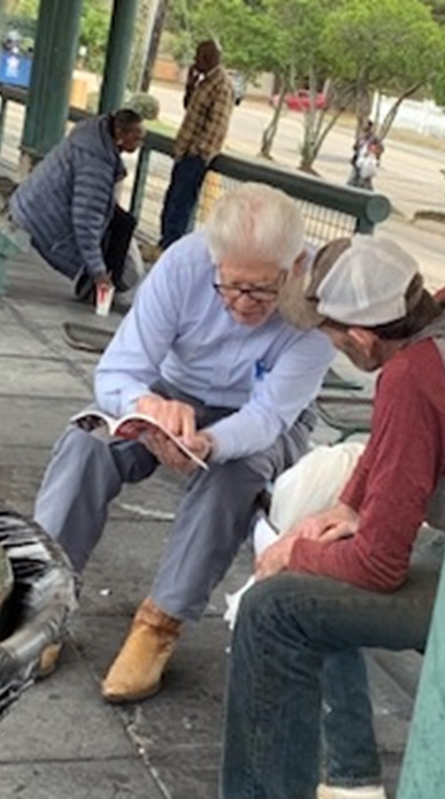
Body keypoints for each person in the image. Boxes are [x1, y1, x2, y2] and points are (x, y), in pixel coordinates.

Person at [221, 235, 445, 799]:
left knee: (275, 608)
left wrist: (293, 550)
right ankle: (352, 778)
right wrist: (347, 505)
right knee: (324, 570)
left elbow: (378, 565)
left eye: (327, 332)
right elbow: (388, 445)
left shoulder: (413, 378)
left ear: (362, 337)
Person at [34, 182, 335, 702]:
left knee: (234, 478)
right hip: (173, 392)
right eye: (231, 285)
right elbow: (120, 370)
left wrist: (207, 444)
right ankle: (45, 598)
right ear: (213, 260)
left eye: (262, 290)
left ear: (294, 265)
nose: (243, 304)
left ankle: (161, 622)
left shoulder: (314, 308)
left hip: (259, 414)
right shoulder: (184, 264)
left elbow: (267, 418)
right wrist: (146, 407)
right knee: (86, 443)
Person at [10, 108, 145, 301]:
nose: (141, 143)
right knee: (118, 224)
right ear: (121, 133)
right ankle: (101, 287)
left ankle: (107, 280)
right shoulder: (95, 163)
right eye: (137, 137)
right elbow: (86, 221)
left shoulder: (93, 138)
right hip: (40, 217)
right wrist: (98, 271)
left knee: (122, 221)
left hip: (30, 203)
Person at [158, 40, 234, 252]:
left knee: (181, 203)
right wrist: (190, 85)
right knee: (173, 198)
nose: (194, 61)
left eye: (197, 57)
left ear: (207, 58)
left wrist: (198, 152)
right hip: (185, 151)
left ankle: (169, 246)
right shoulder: (205, 81)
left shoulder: (221, 85)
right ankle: (164, 242)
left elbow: (216, 126)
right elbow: (190, 108)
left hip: (195, 155)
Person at [348, 121, 383, 189]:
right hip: (359, 161)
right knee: (356, 178)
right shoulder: (362, 137)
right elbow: (356, 147)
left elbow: (380, 149)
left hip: (367, 162)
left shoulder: (374, 138)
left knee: (363, 180)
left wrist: (373, 153)